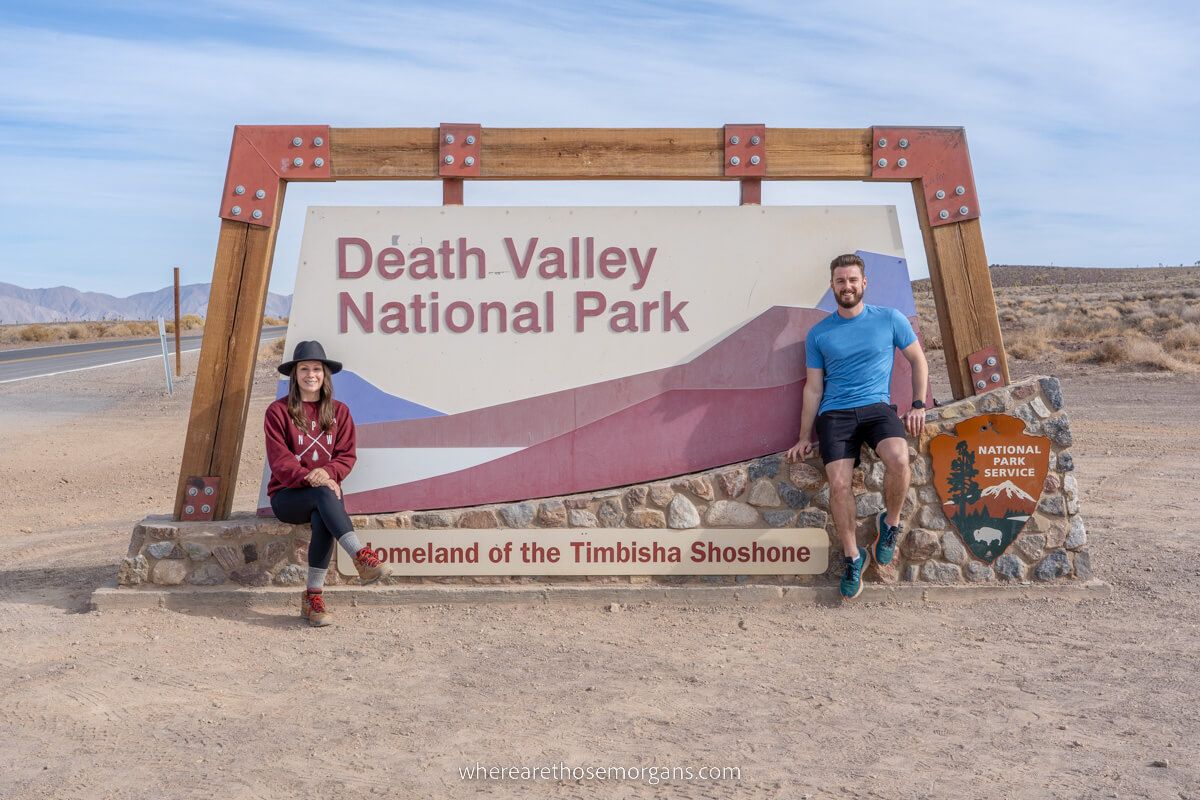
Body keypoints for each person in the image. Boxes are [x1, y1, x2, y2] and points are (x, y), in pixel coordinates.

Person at [785, 254, 928, 600]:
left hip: (878, 408)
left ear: (864, 283)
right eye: (840, 281)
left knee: (898, 459)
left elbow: (918, 360)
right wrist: (804, 436)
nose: (846, 286)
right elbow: (813, 387)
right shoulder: (819, 334)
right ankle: (853, 557)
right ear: (832, 286)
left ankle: (889, 525)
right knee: (838, 484)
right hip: (835, 414)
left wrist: (919, 404)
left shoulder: (890, 319)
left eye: (852, 280)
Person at [265, 340, 389, 627]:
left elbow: (347, 455)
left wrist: (329, 472)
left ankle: (313, 599)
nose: (311, 374)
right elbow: (280, 461)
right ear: (295, 375)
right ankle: (361, 556)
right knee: (324, 495)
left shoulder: (340, 412)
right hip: (288, 495)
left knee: (324, 513)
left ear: (325, 374)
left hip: (325, 495)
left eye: (317, 369)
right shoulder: (278, 412)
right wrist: (313, 476)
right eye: (304, 368)